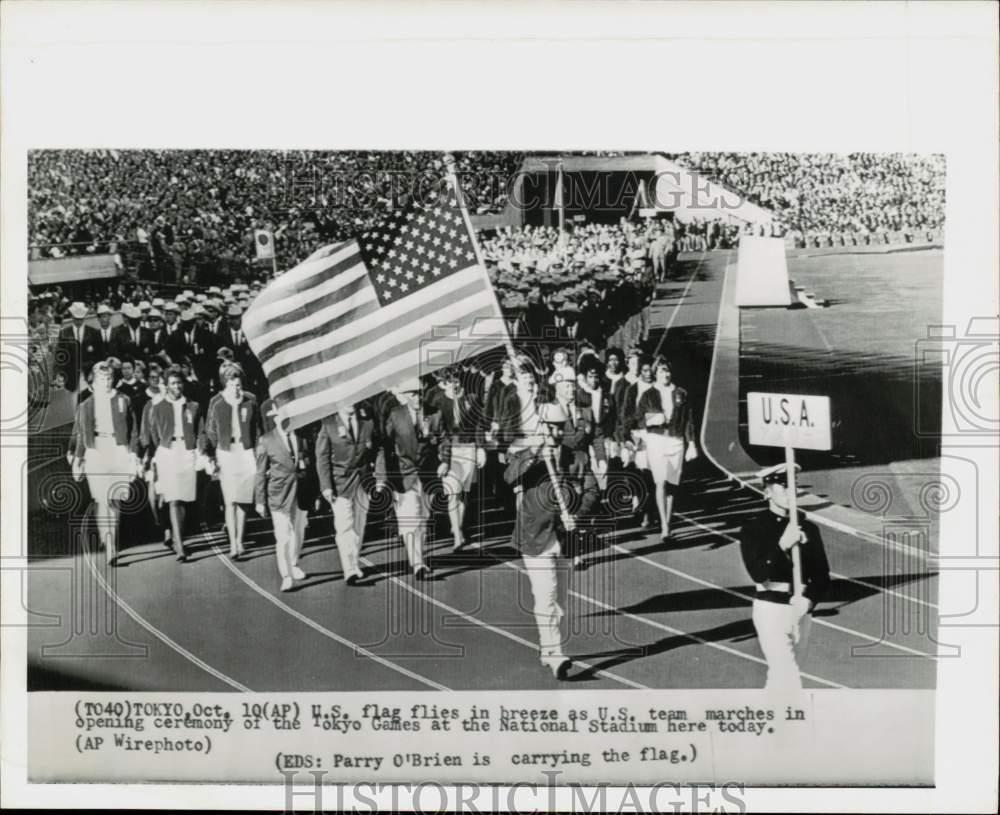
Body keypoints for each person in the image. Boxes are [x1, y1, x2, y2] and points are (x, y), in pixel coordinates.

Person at [739, 463, 831, 690]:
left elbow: (822, 576)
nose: (791, 492)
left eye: (794, 486)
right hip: (771, 610)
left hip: (801, 610)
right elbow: (758, 574)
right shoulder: (753, 528)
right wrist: (782, 546)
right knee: (789, 677)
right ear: (767, 492)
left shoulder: (808, 528)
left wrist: (809, 601)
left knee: (782, 677)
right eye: (783, 486)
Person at [504, 402, 576, 681]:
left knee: (560, 601)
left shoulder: (569, 453)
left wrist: (577, 512)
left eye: (560, 428)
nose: (556, 433)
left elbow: (589, 488)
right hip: (535, 536)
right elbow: (509, 476)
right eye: (552, 428)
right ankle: (556, 653)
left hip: (563, 537)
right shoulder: (527, 454)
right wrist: (534, 452)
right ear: (542, 427)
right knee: (546, 596)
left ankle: (547, 649)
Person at [67, 360, 140, 565]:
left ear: (113, 379)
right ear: (94, 381)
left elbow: (133, 429)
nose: (105, 382)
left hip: (118, 449)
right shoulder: (86, 405)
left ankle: (110, 538)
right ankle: (110, 545)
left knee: (115, 499)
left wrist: (133, 454)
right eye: (101, 379)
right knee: (102, 499)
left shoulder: (124, 399)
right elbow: (82, 435)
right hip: (96, 451)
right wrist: (78, 459)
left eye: (108, 378)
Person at [377, 378, 442, 580]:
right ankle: (417, 563)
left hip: (428, 474)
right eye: (412, 394)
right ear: (405, 396)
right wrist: (382, 476)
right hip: (404, 474)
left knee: (423, 518)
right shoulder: (396, 415)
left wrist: (445, 460)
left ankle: (418, 556)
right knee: (411, 518)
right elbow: (385, 446)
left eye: (419, 393)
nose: (417, 398)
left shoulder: (434, 413)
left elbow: (444, 439)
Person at [315, 400, 379, 585]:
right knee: (344, 527)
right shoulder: (328, 425)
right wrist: (326, 486)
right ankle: (349, 569)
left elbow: (377, 450)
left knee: (359, 525)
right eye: (346, 400)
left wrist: (378, 476)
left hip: (363, 482)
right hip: (340, 484)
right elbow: (322, 457)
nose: (351, 403)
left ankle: (354, 561)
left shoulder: (367, 423)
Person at [255, 400, 316, 591]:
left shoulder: (302, 436)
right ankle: (286, 575)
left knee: (298, 530)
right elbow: (260, 472)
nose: (285, 420)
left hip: (301, 491)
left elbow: (310, 463)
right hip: (279, 494)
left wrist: (314, 492)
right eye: (281, 416)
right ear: (275, 418)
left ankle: (294, 563)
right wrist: (259, 500)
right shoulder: (266, 440)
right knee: (283, 536)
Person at [635, 356, 697, 540]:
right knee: (660, 481)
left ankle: (668, 522)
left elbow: (689, 420)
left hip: (676, 441)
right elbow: (638, 418)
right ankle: (664, 526)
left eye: (667, 371)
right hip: (656, 440)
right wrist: (653, 420)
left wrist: (692, 443)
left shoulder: (681, 393)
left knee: (672, 484)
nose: (665, 375)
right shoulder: (648, 394)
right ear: (656, 374)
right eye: (661, 371)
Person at [146, 366, 203, 561]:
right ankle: (180, 545)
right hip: (168, 452)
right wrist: (159, 451)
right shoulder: (158, 406)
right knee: (173, 498)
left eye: (179, 383)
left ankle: (177, 535)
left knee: (183, 498)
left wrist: (201, 450)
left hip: (187, 452)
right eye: (173, 383)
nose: (177, 386)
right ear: (167, 386)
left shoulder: (193, 406)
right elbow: (154, 433)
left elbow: (200, 430)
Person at [205, 364, 261, 560]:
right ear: (225, 385)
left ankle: (240, 540)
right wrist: (215, 452)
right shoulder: (217, 403)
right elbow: (210, 430)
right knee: (230, 500)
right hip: (227, 453)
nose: (235, 388)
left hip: (246, 452)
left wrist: (257, 451)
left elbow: (257, 429)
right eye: (231, 385)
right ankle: (232, 544)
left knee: (243, 499)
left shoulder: (250, 401)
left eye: (238, 385)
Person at [436, 369, 487, 552]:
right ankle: (457, 535)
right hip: (451, 451)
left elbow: (479, 425)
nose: (454, 385)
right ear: (444, 384)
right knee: (453, 493)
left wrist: (480, 448)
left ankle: (458, 526)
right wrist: (444, 457)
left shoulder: (471, 399)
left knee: (464, 492)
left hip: (469, 448)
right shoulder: (439, 402)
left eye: (456, 382)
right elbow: (440, 432)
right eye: (450, 382)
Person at [58, 302, 100, 392]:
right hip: (71, 375)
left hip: (89, 374)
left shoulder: (93, 332)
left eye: (81, 319)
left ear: (84, 317)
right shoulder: (64, 333)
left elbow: (98, 355)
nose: (78, 322)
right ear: (72, 317)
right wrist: (61, 374)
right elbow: (60, 356)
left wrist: (94, 372)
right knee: (72, 398)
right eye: (76, 319)